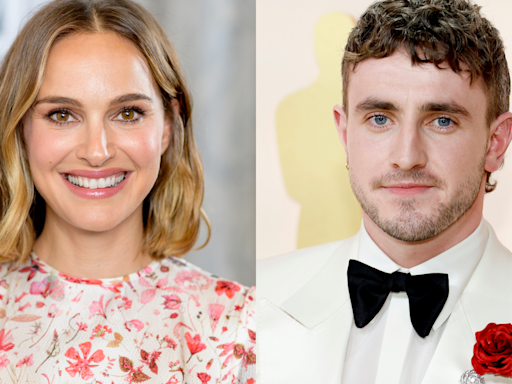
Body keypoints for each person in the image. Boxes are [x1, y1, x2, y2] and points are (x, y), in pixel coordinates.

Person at [0, 0, 255, 382]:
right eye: (62, 115)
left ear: (168, 125)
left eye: (128, 113)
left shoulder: (239, 327)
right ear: (20, 130)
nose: (97, 151)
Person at [258, 0, 512, 383]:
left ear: (495, 142)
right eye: (379, 119)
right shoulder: (252, 302)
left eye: (441, 120)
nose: (406, 157)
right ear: (345, 134)